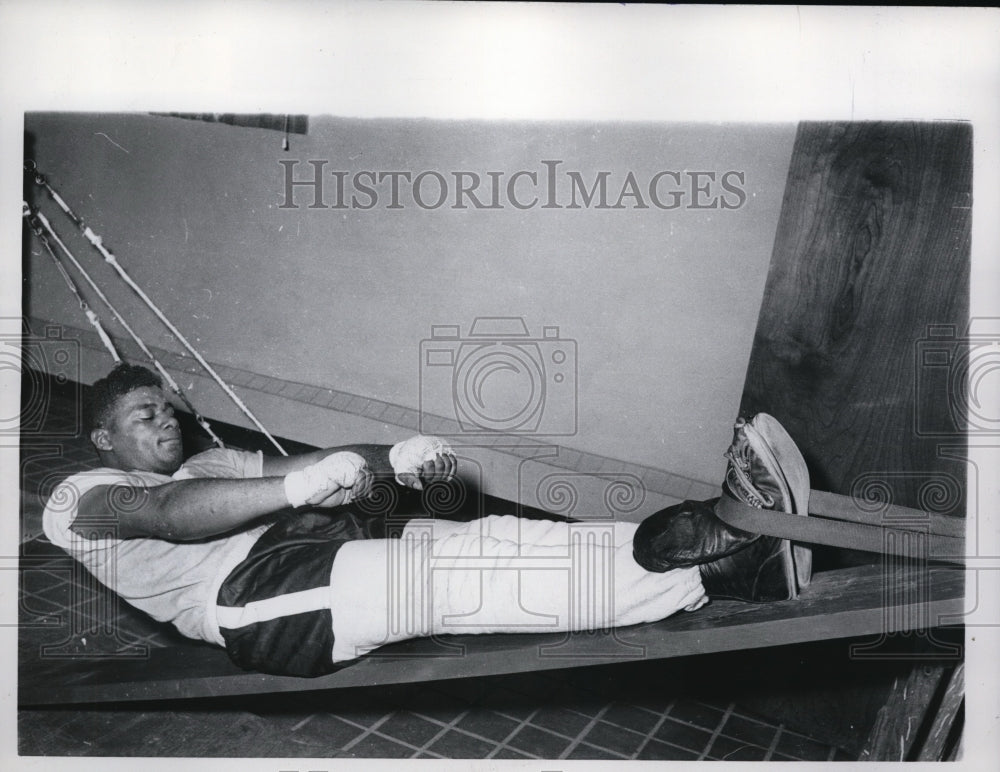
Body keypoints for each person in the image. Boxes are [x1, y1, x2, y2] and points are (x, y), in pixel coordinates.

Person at [43, 363, 812, 677]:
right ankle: (717, 569)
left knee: (508, 538)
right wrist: (301, 488)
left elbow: (317, 460)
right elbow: (169, 518)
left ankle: (716, 535)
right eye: (145, 415)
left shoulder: (206, 466)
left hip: (323, 544)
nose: (167, 422)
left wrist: (392, 455)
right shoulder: (82, 497)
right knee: (457, 579)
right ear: (104, 438)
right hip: (253, 595)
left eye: (169, 409)